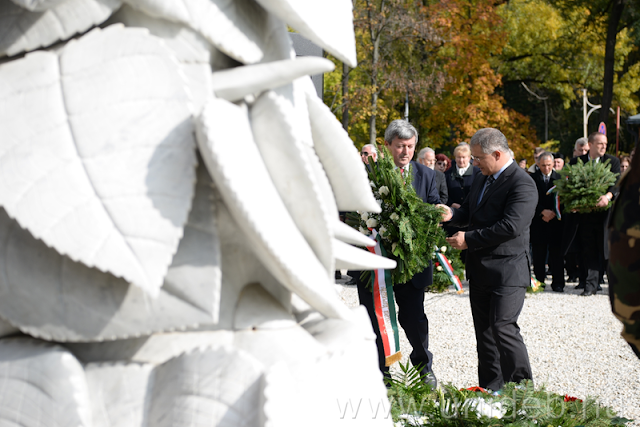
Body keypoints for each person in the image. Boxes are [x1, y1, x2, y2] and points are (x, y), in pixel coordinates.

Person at [439, 127, 537, 392]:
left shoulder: (522, 182)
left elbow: (510, 227)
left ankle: (522, 392)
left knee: (503, 328)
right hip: (480, 270)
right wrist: (450, 215)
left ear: (496, 154)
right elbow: (470, 212)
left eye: (478, 157)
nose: (474, 162)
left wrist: (468, 239)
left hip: (507, 272)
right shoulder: (482, 178)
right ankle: (491, 392)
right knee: (484, 335)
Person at [357, 119, 440, 388]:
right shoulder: (369, 174)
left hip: (412, 264)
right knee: (375, 318)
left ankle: (423, 368)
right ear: (388, 145)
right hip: (375, 262)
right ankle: (382, 375)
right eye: (400, 146)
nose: (406, 152)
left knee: (414, 319)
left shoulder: (427, 175)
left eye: (411, 146)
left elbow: (434, 208)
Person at [562, 132, 621, 296]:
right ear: (590, 144)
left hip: (606, 215)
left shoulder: (612, 161)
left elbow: (616, 183)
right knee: (588, 250)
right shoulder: (576, 162)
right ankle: (590, 286)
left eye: (605, 144)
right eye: (600, 143)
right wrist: (574, 202)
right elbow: (568, 186)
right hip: (584, 215)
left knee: (607, 250)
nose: (604, 146)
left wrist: (607, 196)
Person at [530, 152, 564, 292]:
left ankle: (558, 283)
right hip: (539, 221)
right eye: (543, 165)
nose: (546, 168)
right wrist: (542, 212)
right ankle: (540, 282)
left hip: (556, 222)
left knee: (556, 255)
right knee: (539, 255)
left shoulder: (560, 178)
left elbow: (563, 199)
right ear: (538, 164)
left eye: (549, 165)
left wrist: (553, 213)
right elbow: (529, 199)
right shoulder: (532, 179)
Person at [444, 143, 481, 263]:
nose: (461, 160)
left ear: (470, 158)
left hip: (471, 215)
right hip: (454, 215)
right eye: (458, 157)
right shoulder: (448, 174)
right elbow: (444, 193)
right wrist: (451, 204)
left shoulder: (477, 173)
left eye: (464, 157)